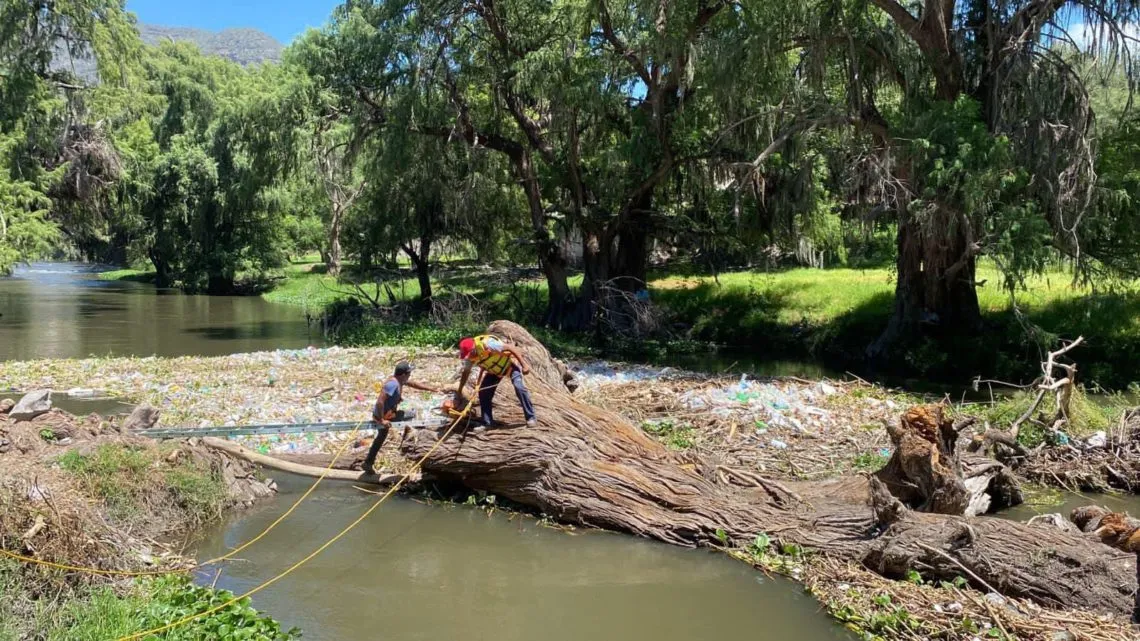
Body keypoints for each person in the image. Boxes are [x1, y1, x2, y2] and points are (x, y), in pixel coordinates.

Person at [362, 361, 442, 474]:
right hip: (383, 416)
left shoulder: (400, 380)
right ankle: (414, 445)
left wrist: (431, 389)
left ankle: (368, 463)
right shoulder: (393, 384)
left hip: (390, 414)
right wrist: (381, 420)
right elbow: (380, 402)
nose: (410, 376)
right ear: (403, 374)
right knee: (412, 416)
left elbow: (413, 384)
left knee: (381, 437)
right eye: (409, 374)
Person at [456, 335, 537, 431]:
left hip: (508, 366)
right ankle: (488, 422)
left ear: (473, 349)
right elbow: (466, 373)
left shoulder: (489, 344)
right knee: (483, 393)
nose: (469, 357)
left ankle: (531, 417)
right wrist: (460, 389)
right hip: (494, 372)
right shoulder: (470, 358)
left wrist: (524, 365)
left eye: (469, 354)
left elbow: (510, 348)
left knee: (519, 387)